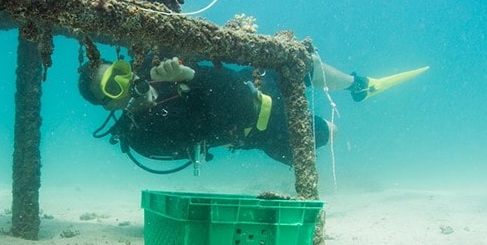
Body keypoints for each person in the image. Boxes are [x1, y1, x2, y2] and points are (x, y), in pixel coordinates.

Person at [78, 55, 427, 171]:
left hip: (253, 86)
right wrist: (190, 78)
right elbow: (231, 113)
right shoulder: (142, 136)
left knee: (300, 62)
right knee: (330, 131)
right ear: (109, 105)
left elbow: (229, 84)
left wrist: (188, 74)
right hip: (260, 132)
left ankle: (358, 86)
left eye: (120, 71)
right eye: (113, 87)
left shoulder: (161, 73)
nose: (126, 83)